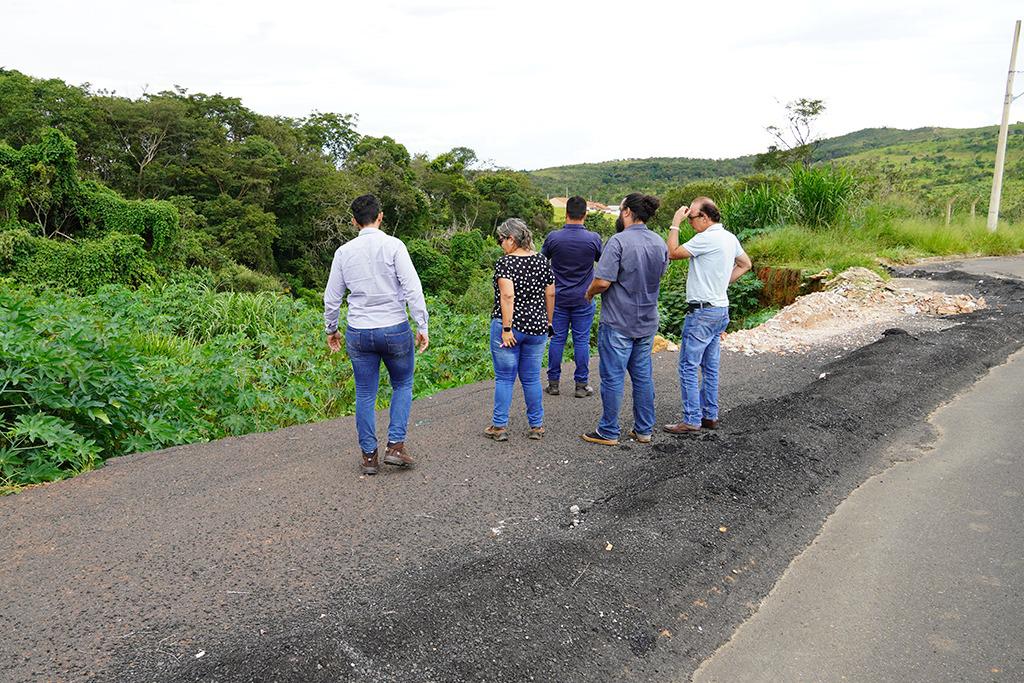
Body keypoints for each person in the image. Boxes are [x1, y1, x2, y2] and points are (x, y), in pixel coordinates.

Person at [324, 194, 430, 475]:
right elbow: (412, 289)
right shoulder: (394, 246)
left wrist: (331, 329)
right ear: (380, 216)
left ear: (353, 221)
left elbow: (332, 298)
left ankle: (369, 457)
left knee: (365, 393)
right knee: (403, 384)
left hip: (359, 331)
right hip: (394, 327)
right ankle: (395, 446)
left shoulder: (344, 252)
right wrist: (422, 325)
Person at [581, 193, 668, 446]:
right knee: (642, 376)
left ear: (627, 212)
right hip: (647, 320)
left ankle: (608, 430)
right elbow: (659, 275)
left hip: (619, 320)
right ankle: (644, 430)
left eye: (621, 211)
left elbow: (602, 281)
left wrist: (589, 293)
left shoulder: (618, 242)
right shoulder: (658, 242)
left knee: (612, 376)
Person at [663, 197, 752, 434]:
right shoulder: (729, 238)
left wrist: (675, 223)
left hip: (702, 312)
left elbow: (672, 252)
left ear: (704, 217)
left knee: (688, 366)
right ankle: (709, 416)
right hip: (720, 309)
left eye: (691, 217)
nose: (690, 221)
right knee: (710, 367)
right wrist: (723, 283)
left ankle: (691, 419)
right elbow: (745, 264)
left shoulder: (706, 238)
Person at [484, 218, 555, 442]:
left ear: (511, 239)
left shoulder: (506, 263)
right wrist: (549, 322)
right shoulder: (542, 261)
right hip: (537, 327)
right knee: (532, 378)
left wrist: (506, 328)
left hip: (511, 328)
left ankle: (499, 426)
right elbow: (551, 293)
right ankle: (536, 425)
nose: (500, 244)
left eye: (501, 240)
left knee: (505, 378)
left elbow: (507, 296)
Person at [541, 195, 603, 398]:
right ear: (584, 214)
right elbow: (602, 263)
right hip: (584, 298)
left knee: (557, 339)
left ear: (566, 214)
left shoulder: (553, 238)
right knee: (582, 341)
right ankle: (581, 385)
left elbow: (542, 264)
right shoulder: (593, 239)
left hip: (557, 298)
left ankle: (554, 383)